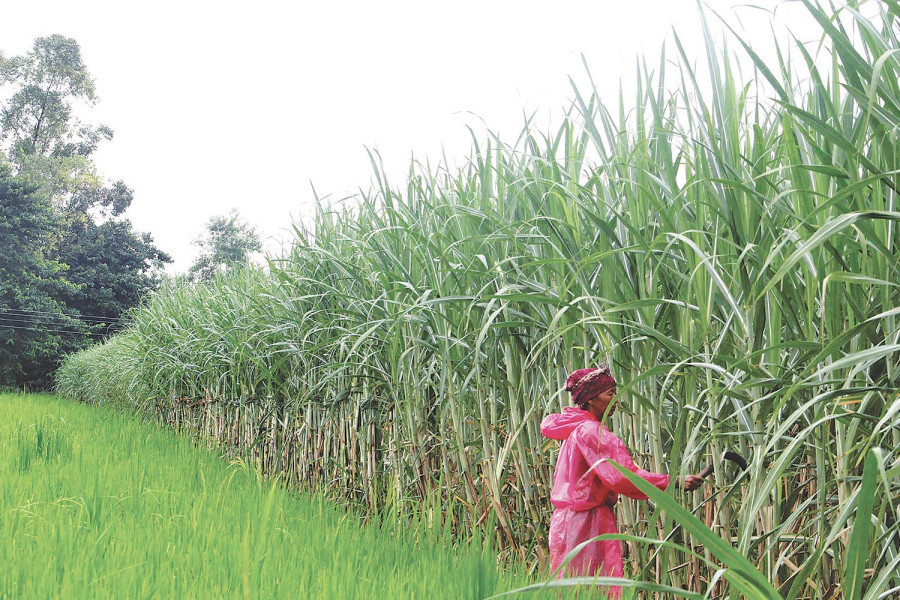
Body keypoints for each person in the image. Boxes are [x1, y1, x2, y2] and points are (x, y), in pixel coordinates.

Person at [540, 365, 704, 596]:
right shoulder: (591, 431)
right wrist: (672, 481)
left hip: (565, 522)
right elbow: (622, 476)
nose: (616, 398)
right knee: (593, 589)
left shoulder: (575, 428)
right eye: (610, 393)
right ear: (590, 400)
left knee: (570, 589)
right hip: (587, 521)